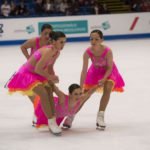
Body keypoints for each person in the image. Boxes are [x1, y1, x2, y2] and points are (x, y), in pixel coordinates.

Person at [6, 31, 66, 135]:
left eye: (64, 42)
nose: (63, 45)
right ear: (54, 42)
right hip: (27, 73)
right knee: (43, 93)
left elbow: (49, 67)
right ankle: (51, 122)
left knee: (49, 91)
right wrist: (50, 77)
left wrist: (52, 78)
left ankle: (52, 118)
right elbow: (38, 68)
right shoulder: (48, 51)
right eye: (61, 42)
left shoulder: (57, 52)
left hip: (38, 73)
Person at [64, 29, 125, 130]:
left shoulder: (108, 51)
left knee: (108, 87)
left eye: (96, 39)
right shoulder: (87, 52)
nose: (93, 41)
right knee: (84, 95)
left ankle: (100, 116)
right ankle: (71, 116)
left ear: (102, 40)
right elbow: (84, 71)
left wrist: (104, 78)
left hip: (108, 72)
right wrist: (80, 86)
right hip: (95, 72)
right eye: (91, 39)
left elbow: (110, 67)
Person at [34, 83, 99, 128]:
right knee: (36, 99)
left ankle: (70, 117)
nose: (78, 96)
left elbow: (90, 92)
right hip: (46, 110)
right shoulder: (63, 98)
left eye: (80, 93)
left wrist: (99, 84)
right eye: (75, 94)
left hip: (57, 118)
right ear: (70, 94)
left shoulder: (81, 99)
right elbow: (55, 88)